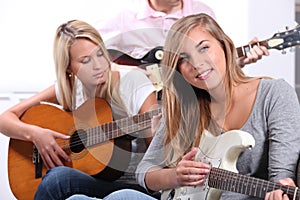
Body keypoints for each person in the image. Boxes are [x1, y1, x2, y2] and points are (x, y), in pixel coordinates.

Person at [133, 13, 299, 200]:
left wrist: (281, 191)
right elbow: (144, 171)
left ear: (225, 46)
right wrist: (175, 176)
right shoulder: (184, 108)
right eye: (183, 58)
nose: (196, 63)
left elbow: (282, 178)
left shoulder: (274, 94)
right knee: (124, 195)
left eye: (203, 48)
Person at [0, 20, 159, 199]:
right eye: (85, 61)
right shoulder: (70, 88)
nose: (99, 65)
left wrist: (160, 126)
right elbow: (5, 119)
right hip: (90, 180)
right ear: (68, 67)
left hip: (133, 185)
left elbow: (157, 156)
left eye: (100, 54)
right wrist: (36, 135)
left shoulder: (133, 82)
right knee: (59, 179)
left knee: (59, 180)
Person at [96, 0, 269, 68]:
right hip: (142, 116)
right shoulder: (125, 18)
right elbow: (85, 51)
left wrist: (238, 61)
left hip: (190, 107)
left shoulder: (202, 12)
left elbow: (213, 66)